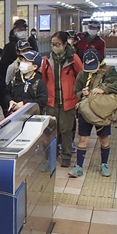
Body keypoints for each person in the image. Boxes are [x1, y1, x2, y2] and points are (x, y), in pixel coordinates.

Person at [69, 49, 117, 178]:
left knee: (104, 139)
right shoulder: (82, 75)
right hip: (86, 110)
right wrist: (82, 94)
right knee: (83, 139)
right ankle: (78, 166)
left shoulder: (108, 71)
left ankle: (104, 164)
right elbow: (76, 91)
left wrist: (103, 89)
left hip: (102, 111)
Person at [41, 31, 83, 168]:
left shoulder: (73, 58)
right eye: (52, 44)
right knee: (52, 129)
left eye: (58, 44)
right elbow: (43, 78)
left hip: (68, 100)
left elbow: (81, 76)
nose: (55, 47)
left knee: (66, 129)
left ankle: (66, 155)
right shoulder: (48, 59)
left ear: (65, 45)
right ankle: (52, 154)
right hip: (52, 100)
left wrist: (78, 95)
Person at [3, 50, 47, 116]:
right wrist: (10, 101)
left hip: (32, 117)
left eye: (26, 61)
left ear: (34, 67)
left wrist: (24, 104)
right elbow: (6, 93)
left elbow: (42, 101)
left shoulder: (39, 82)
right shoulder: (15, 78)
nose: (22, 63)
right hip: (15, 115)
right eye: (22, 60)